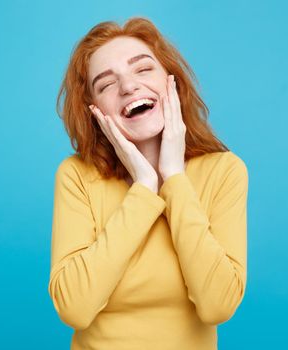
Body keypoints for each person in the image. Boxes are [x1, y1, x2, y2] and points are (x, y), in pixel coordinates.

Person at [48, 17, 249, 350]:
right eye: (106, 83)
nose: (128, 87)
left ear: (173, 82)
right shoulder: (77, 176)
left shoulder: (224, 171)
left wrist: (173, 178)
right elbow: (75, 309)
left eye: (142, 70)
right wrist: (144, 187)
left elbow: (218, 305)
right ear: (95, 111)